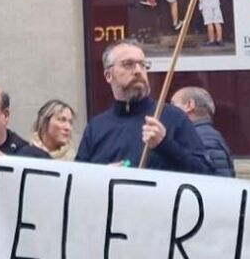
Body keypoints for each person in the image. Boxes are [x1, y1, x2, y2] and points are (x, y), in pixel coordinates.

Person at [74, 42, 214, 174]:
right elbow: (77, 181)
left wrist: (165, 145)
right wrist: (101, 175)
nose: (138, 71)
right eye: (128, 64)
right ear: (108, 75)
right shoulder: (96, 127)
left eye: (142, 64)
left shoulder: (173, 118)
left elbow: (206, 174)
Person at [173, 87, 235, 177]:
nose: (169, 109)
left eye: (173, 104)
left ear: (189, 105)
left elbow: (220, 178)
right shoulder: (203, 135)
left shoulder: (204, 138)